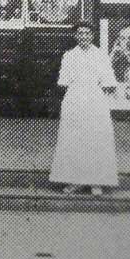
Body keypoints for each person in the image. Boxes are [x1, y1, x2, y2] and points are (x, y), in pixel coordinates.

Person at [49, 22, 119, 195]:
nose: (84, 36)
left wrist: (103, 88)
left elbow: (109, 80)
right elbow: (64, 80)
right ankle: (75, 181)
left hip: (95, 99)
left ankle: (96, 181)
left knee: (96, 138)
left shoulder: (101, 55)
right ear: (76, 36)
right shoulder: (69, 56)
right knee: (74, 139)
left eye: (87, 33)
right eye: (80, 33)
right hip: (75, 99)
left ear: (92, 35)